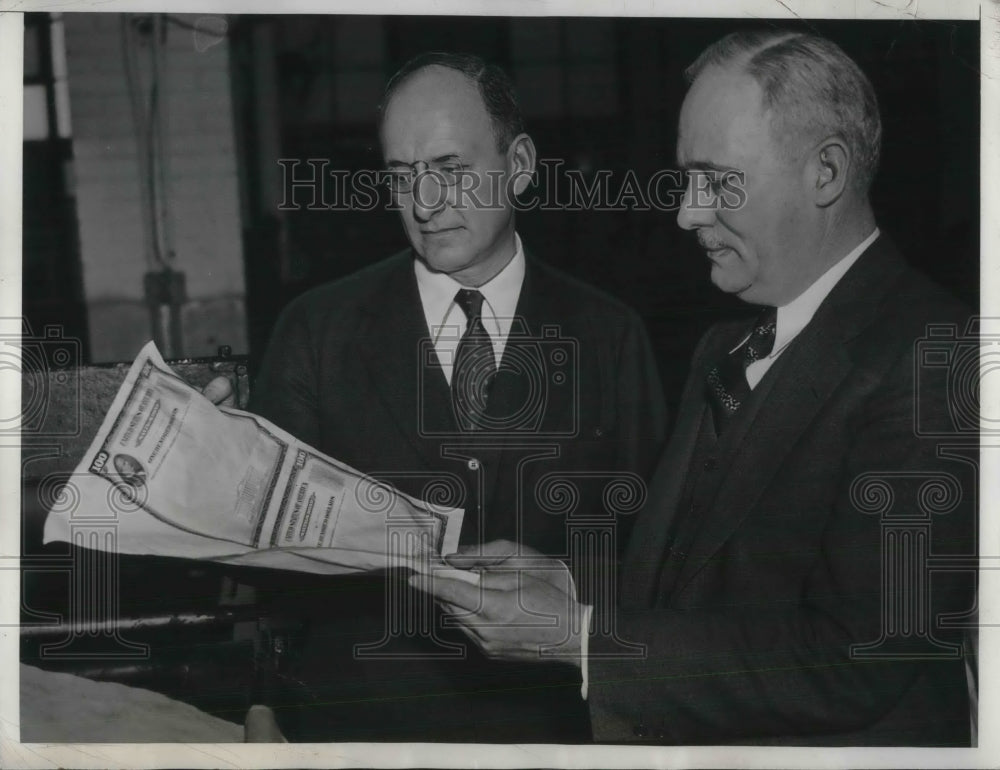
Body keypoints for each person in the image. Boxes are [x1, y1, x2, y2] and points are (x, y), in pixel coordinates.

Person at [417, 30, 976, 746]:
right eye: (686, 180)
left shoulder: (937, 359)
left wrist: (578, 636)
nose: (687, 212)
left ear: (826, 173)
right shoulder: (726, 344)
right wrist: (571, 585)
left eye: (716, 181)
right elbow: (707, 572)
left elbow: (858, 657)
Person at [208, 52, 666, 742]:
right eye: (402, 175)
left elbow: (654, 557)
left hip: (552, 729)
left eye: (451, 169)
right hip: (361, 728)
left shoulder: (610, 335)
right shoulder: (317, 329)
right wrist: (263, 702)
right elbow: (273, 569)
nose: (424, 204)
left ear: (519, 165)